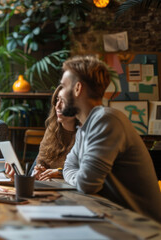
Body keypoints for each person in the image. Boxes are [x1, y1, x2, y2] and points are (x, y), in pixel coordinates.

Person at [60, 55, 161, 222]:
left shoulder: (106, 120)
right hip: (117, 220)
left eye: (63, 86)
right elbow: (68, 167)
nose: (60, 93)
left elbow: (87, 184)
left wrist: (76, 177)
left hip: (142, 228)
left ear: (77, 88)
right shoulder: (84, 128)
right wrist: (77, 176)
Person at [32, 85, 80, 181]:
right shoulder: (51, 130)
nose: (57, 106)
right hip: (50, 184)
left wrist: (60, 173)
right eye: (57, 100)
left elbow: (85, 172)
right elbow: (41, 160)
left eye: (64, 101)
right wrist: (39, 169)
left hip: (72, 187)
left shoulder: (85, 134)